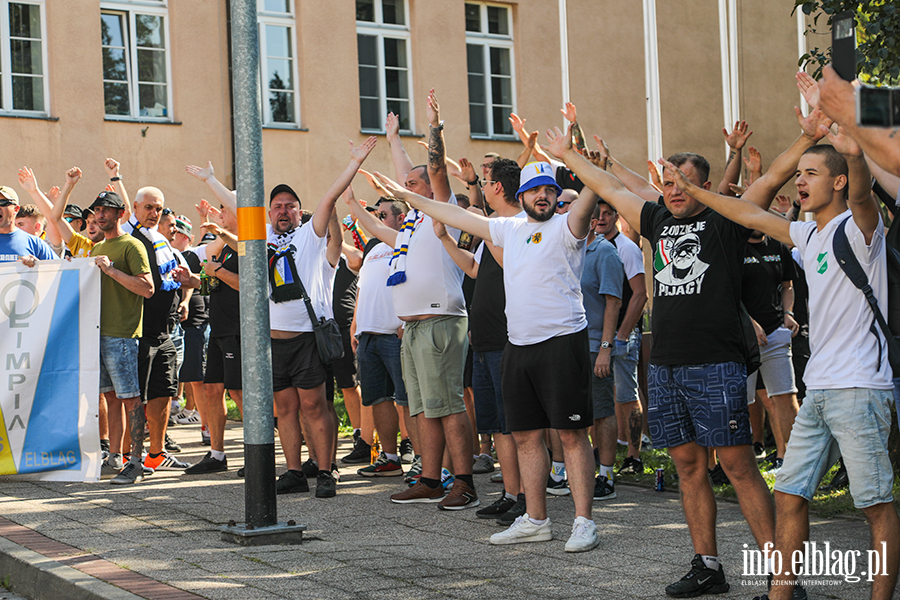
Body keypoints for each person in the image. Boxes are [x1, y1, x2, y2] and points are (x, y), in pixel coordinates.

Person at [545, 113, 831, 594]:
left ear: (704, 188)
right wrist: (569, 157)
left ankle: (783, 578)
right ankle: (708, 567)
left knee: (738, 466)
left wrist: (808, 136)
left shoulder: (726, 220)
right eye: (669, 183)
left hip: (716, 363)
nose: (675, 191)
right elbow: (612, 188)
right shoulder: (655, 218)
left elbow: (771, 177)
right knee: (688, 465)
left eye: (685, 184)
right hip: (666, 365)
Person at [673, 100, 898, 600]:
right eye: (799, 173)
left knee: (875, 505)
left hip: (860, 387)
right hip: (818, 387)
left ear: (836, 181)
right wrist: (694, 192)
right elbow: (746, 211)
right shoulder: (808, 233)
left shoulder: (862, 230)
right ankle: (782, 594)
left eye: (811, 173)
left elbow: (862, 195)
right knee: (790, 494)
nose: (800, 182)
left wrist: (853, 153)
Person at [372, 152, 602, 552]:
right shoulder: (507, 229)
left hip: (563, 343)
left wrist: (574, 158)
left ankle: (584, 522)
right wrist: (402, 193)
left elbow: (592, 195)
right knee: (526, 436)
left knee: (571, 434)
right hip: (518, 345)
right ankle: (535, 518)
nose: (544, 196)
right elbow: (450, 213)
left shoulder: (568, 227)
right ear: (523, 194)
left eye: (550, 189)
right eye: (536, 190)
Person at [375, 91, 479, 511]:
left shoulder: (441, 207)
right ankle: (431, 479)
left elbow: (431, 169)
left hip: (440, 321)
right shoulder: (415, 216)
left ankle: (465, 481)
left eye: (413, 184)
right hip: (414, 326)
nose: (406, 187)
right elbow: (410, 172)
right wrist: (392, 138)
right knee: (422, 409)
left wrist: (434, 125)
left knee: (449, 407)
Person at [265, 137, 377, 498]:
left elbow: (328, 199)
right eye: (278, 206)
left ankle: (326, 471)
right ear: (269, 213)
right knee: (285, 409)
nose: (284, 211)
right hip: (273, 339)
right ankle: (295, 470)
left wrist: (354, 163)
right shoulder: (262, 238)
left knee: (314, 404)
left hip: (306, 337)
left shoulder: (309, 237)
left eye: (291, 206)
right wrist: (210, 181)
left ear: (301, 212)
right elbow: (236, 208)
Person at [124, 187, 193, 473]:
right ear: (136, 208)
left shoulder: (161, 240)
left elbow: (181, 278)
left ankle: (156, 453)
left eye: (159, 209)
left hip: (166, 330)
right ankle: (131, 456)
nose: (154, 214)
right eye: (149, 208)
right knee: (136, 396)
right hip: (140, 331)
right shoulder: (128, 239)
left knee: (164, 391)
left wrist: (185, 283)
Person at [88, 191, 154, 484]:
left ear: (121, 213)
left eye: (107, 210)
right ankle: (115, 455)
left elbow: (147, 288)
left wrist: (110, 270)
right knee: (111, 398)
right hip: (97, 334)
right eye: (98, 210)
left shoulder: (132, 245)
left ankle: (136, 462)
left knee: (131, 399)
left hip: (122, 335)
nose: (101, 215)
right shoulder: (96, 248)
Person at [579, 202, 623, 501]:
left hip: (596, 346)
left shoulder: (605, 252)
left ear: (593, 221)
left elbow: (614, 302)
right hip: (569, 345)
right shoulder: (570, 248)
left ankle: (606, 474)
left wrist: (606, 349)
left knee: (602, 412)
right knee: (576, 415)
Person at [0, 186, 56, 263]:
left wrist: (39, 267)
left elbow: (61, 272)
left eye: (2, 202)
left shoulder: (35, 244)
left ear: (16, 209)